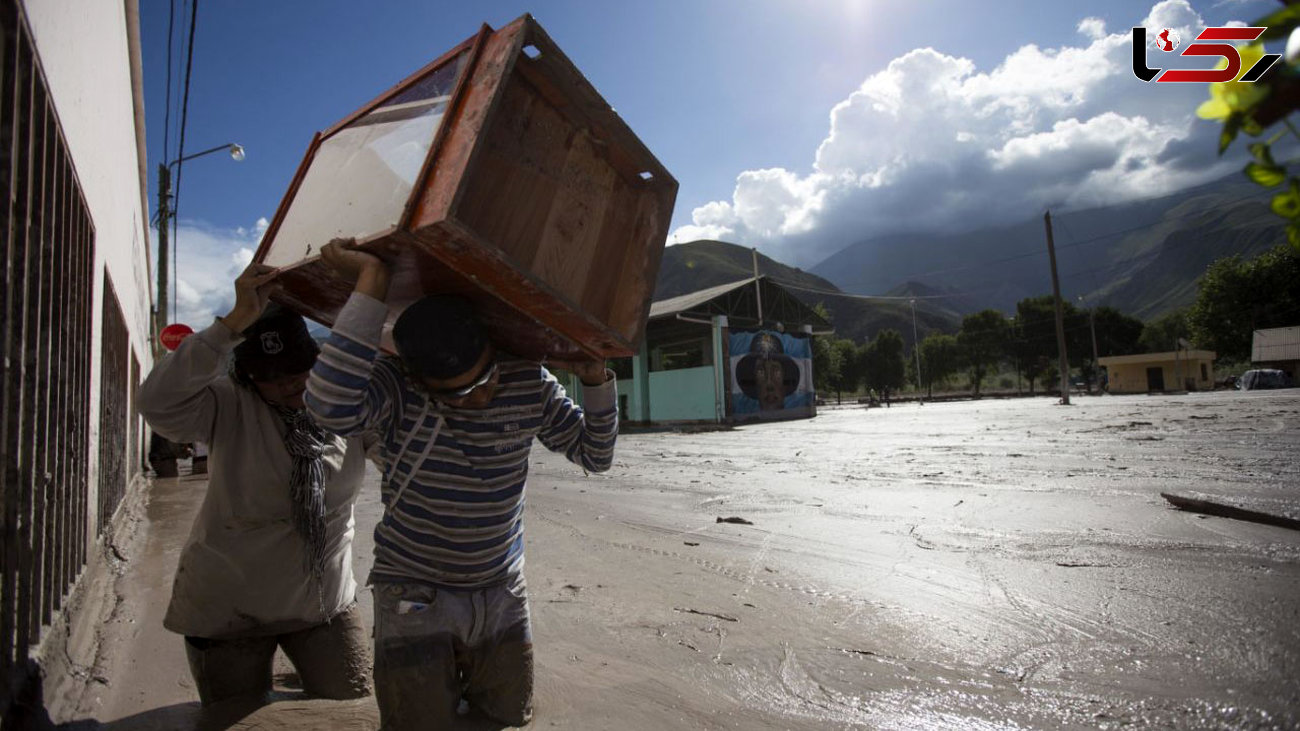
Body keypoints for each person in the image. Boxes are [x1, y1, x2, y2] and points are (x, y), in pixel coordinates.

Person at [305, 239, 618, 729]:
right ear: (418, 378)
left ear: (493, 349)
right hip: (413, 594)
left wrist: (597, 381)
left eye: (485, 377)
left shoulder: (526, 379)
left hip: (501, 591)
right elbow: (327, 407)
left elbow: (595, 455)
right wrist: (370, 281)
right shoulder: (396, 385)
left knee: (508, 717)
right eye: (461, 393)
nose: (482, 395)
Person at [137, 262, 373, 707]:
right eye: (272, 376)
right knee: (234, 715)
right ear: (245, 377)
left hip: (323, 604)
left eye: (298, 371)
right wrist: (230, 325)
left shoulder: (347, 404)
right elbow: (155, 402)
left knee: (351, 704)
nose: (290, 385)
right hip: (229, 607)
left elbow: (406, 452)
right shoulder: (225, 404)